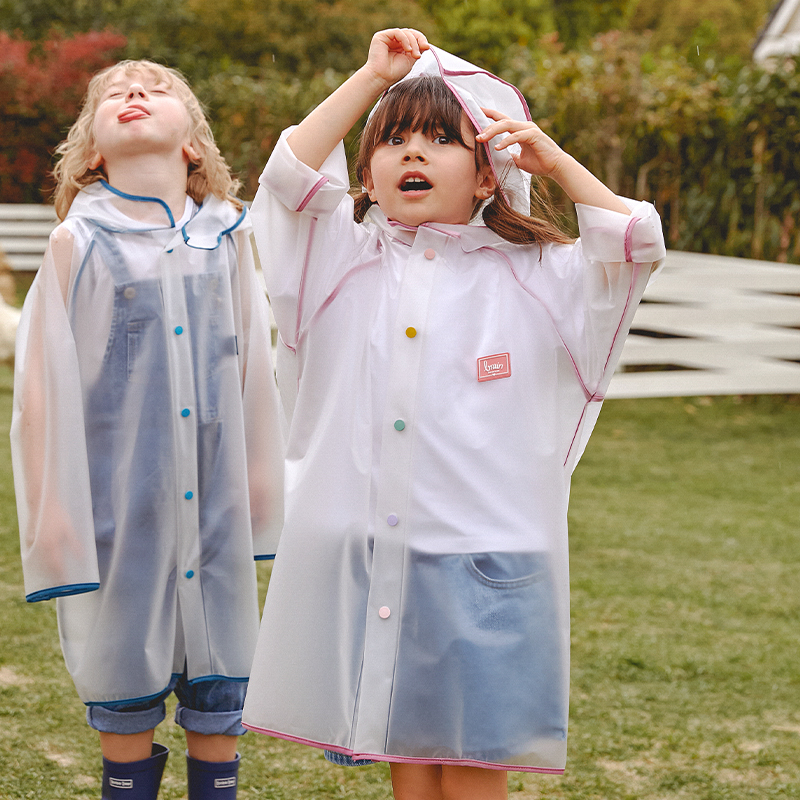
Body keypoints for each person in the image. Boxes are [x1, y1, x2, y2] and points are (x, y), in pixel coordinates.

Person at [241, 28, 665, 800]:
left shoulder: (540, 275)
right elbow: (291, 174)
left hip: (492, 561)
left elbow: (633, 242)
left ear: (485, 177)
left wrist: (554, 161)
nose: (412, 153)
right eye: (393, 140)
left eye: (440, 139)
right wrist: (373, 78)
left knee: (473, 771)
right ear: (366, 172)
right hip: (385, 556)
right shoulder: (340, 259)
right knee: (409, 765)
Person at [11, 59, 284, 800]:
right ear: (93, 150)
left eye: (158, 88)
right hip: (116, 514)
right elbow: (41, 389)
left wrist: (264, 481)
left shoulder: (227, 238)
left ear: (192, 144)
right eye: (114, 93)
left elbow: (254, 365)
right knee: (123, 686)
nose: (135, 93)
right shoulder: (79, 244)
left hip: (217, 511)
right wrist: (54, 514)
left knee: (220, 691)